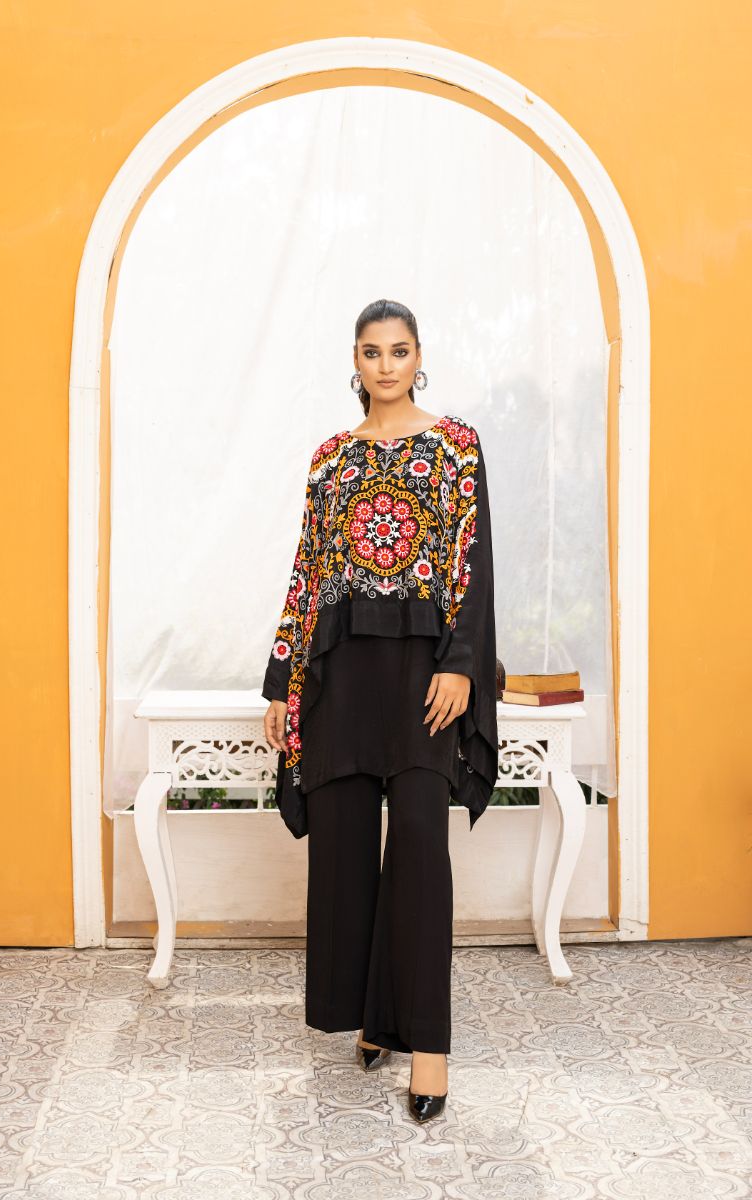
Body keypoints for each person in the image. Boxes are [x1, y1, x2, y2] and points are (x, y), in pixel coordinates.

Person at [261, 298, 499, 1123]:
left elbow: (472, 561)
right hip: (341, 679)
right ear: (355, 361)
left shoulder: (456, 445)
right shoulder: (330, 459)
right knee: (346, 852)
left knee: (422, 857)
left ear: (419, 358)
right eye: (372, 352)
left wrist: (462, 666)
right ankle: (372, 1016)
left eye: (399, 351)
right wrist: (283, 682)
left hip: (425, 677)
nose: (386, 365)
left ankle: (428, 1048)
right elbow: (308, 570)